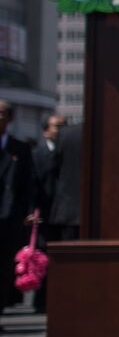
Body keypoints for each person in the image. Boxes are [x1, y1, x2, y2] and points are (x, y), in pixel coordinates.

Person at [0, 101, 35, 320]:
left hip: (8, 218)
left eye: (2, 113)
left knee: (3, 268)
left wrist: (27, 213)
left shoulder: (20, 149)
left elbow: (28, 185)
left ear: (10, 118)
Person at [30, 113, 65, 313]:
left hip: (62, 212)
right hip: (43, 212)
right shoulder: (37, 154)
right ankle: (40, 300)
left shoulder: (68, 153)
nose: (60, 131)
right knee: (41, 256)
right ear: (45, 131)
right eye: (56, 126)